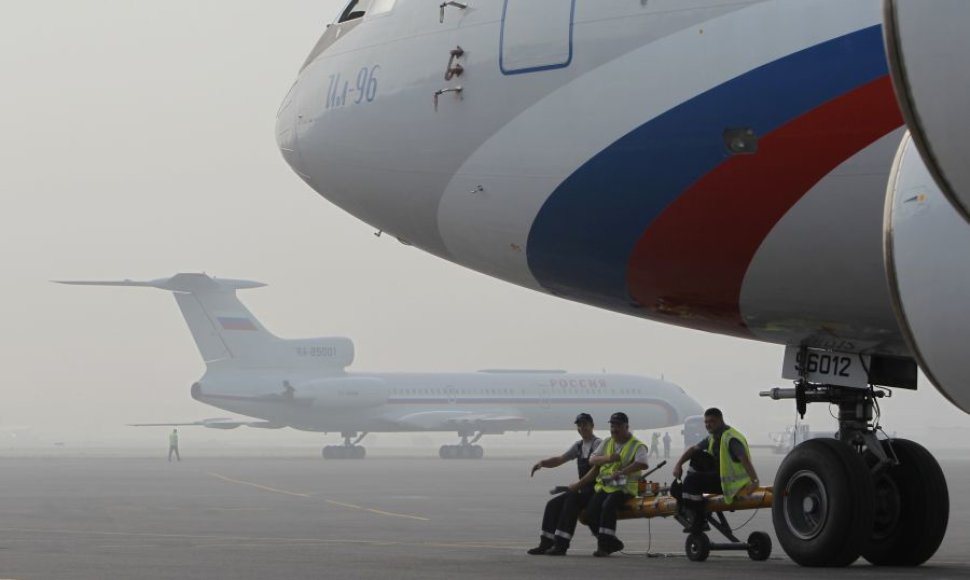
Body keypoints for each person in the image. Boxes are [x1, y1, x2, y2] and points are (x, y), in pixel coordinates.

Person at [672, 408, 758, 533]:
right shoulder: (712, 437)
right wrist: (678, 464)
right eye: (706, 422)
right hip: (718, 476)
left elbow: (744, 459)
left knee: (691, 481)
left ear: (720, 421)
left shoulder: (730, 438)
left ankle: (700, 520)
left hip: (730, 484)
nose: (708, 425)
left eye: (711, 421)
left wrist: (754, 481)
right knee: (695, 457)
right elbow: (693, 449)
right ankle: (690, 495)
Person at [527, 413, 602, 556]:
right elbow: (561, 459)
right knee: (552, 505)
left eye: (585, 424)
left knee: (570, 501)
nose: (582, 428)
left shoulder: (598, 444)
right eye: (579, 425)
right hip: (582, 489)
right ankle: (546, 543)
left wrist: (578, 485)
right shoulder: (579, 446)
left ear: (592, 426)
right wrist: (543, 463)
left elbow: (596, 469)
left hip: (595, 490)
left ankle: (561, 545)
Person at [582, 412, 648, 557]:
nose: (614, 429)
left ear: (626, 427)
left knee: (608, 506)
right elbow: (592, 460)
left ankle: (604, 547)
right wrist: (607, 458)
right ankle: (611, 542)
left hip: (625, 488)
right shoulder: (607, 442)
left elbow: (643, 463)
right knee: (591, 512)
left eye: (618, 426)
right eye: (612, 426)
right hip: (606, 486)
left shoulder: (637, 445)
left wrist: (623, 471)